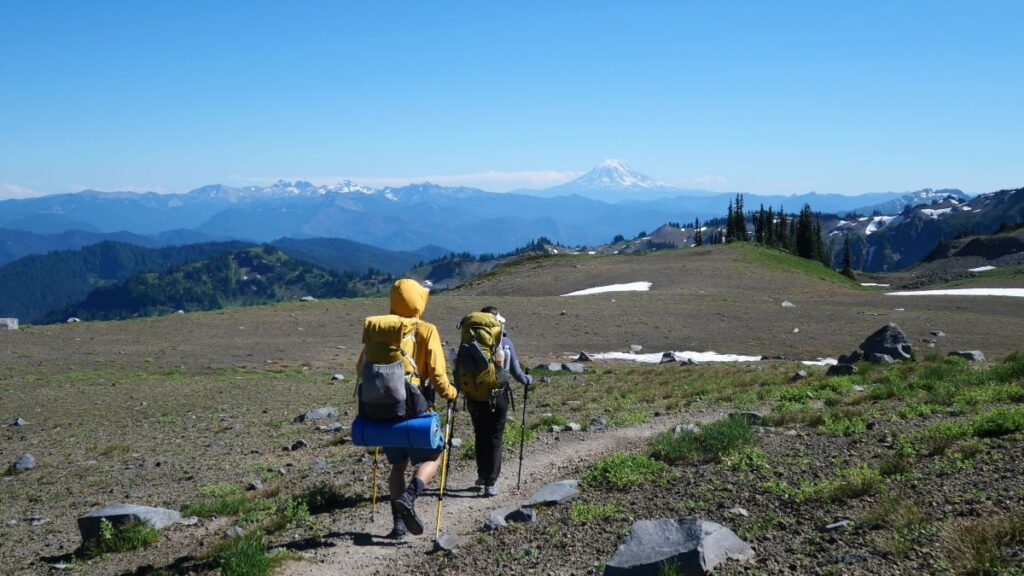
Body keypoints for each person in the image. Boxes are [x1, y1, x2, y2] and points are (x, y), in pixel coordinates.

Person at [358, 278, 458, 538]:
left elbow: (360, 368)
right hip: (416, 405)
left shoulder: (380, 330)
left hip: (383, 406)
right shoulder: (426, 330)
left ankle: (398, 525)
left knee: (397, 465)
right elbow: (436, 374)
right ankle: (410, 495)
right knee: (435, 454)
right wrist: (451, 393)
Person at [466, 305, 532, 497]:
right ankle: (490, 482)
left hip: (474, 396)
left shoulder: (470, 340)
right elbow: (517, 373)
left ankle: (481, 474)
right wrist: (528, 380)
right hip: (497, 396)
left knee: (480, 433)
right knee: (495, 437)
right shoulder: (505, 343)